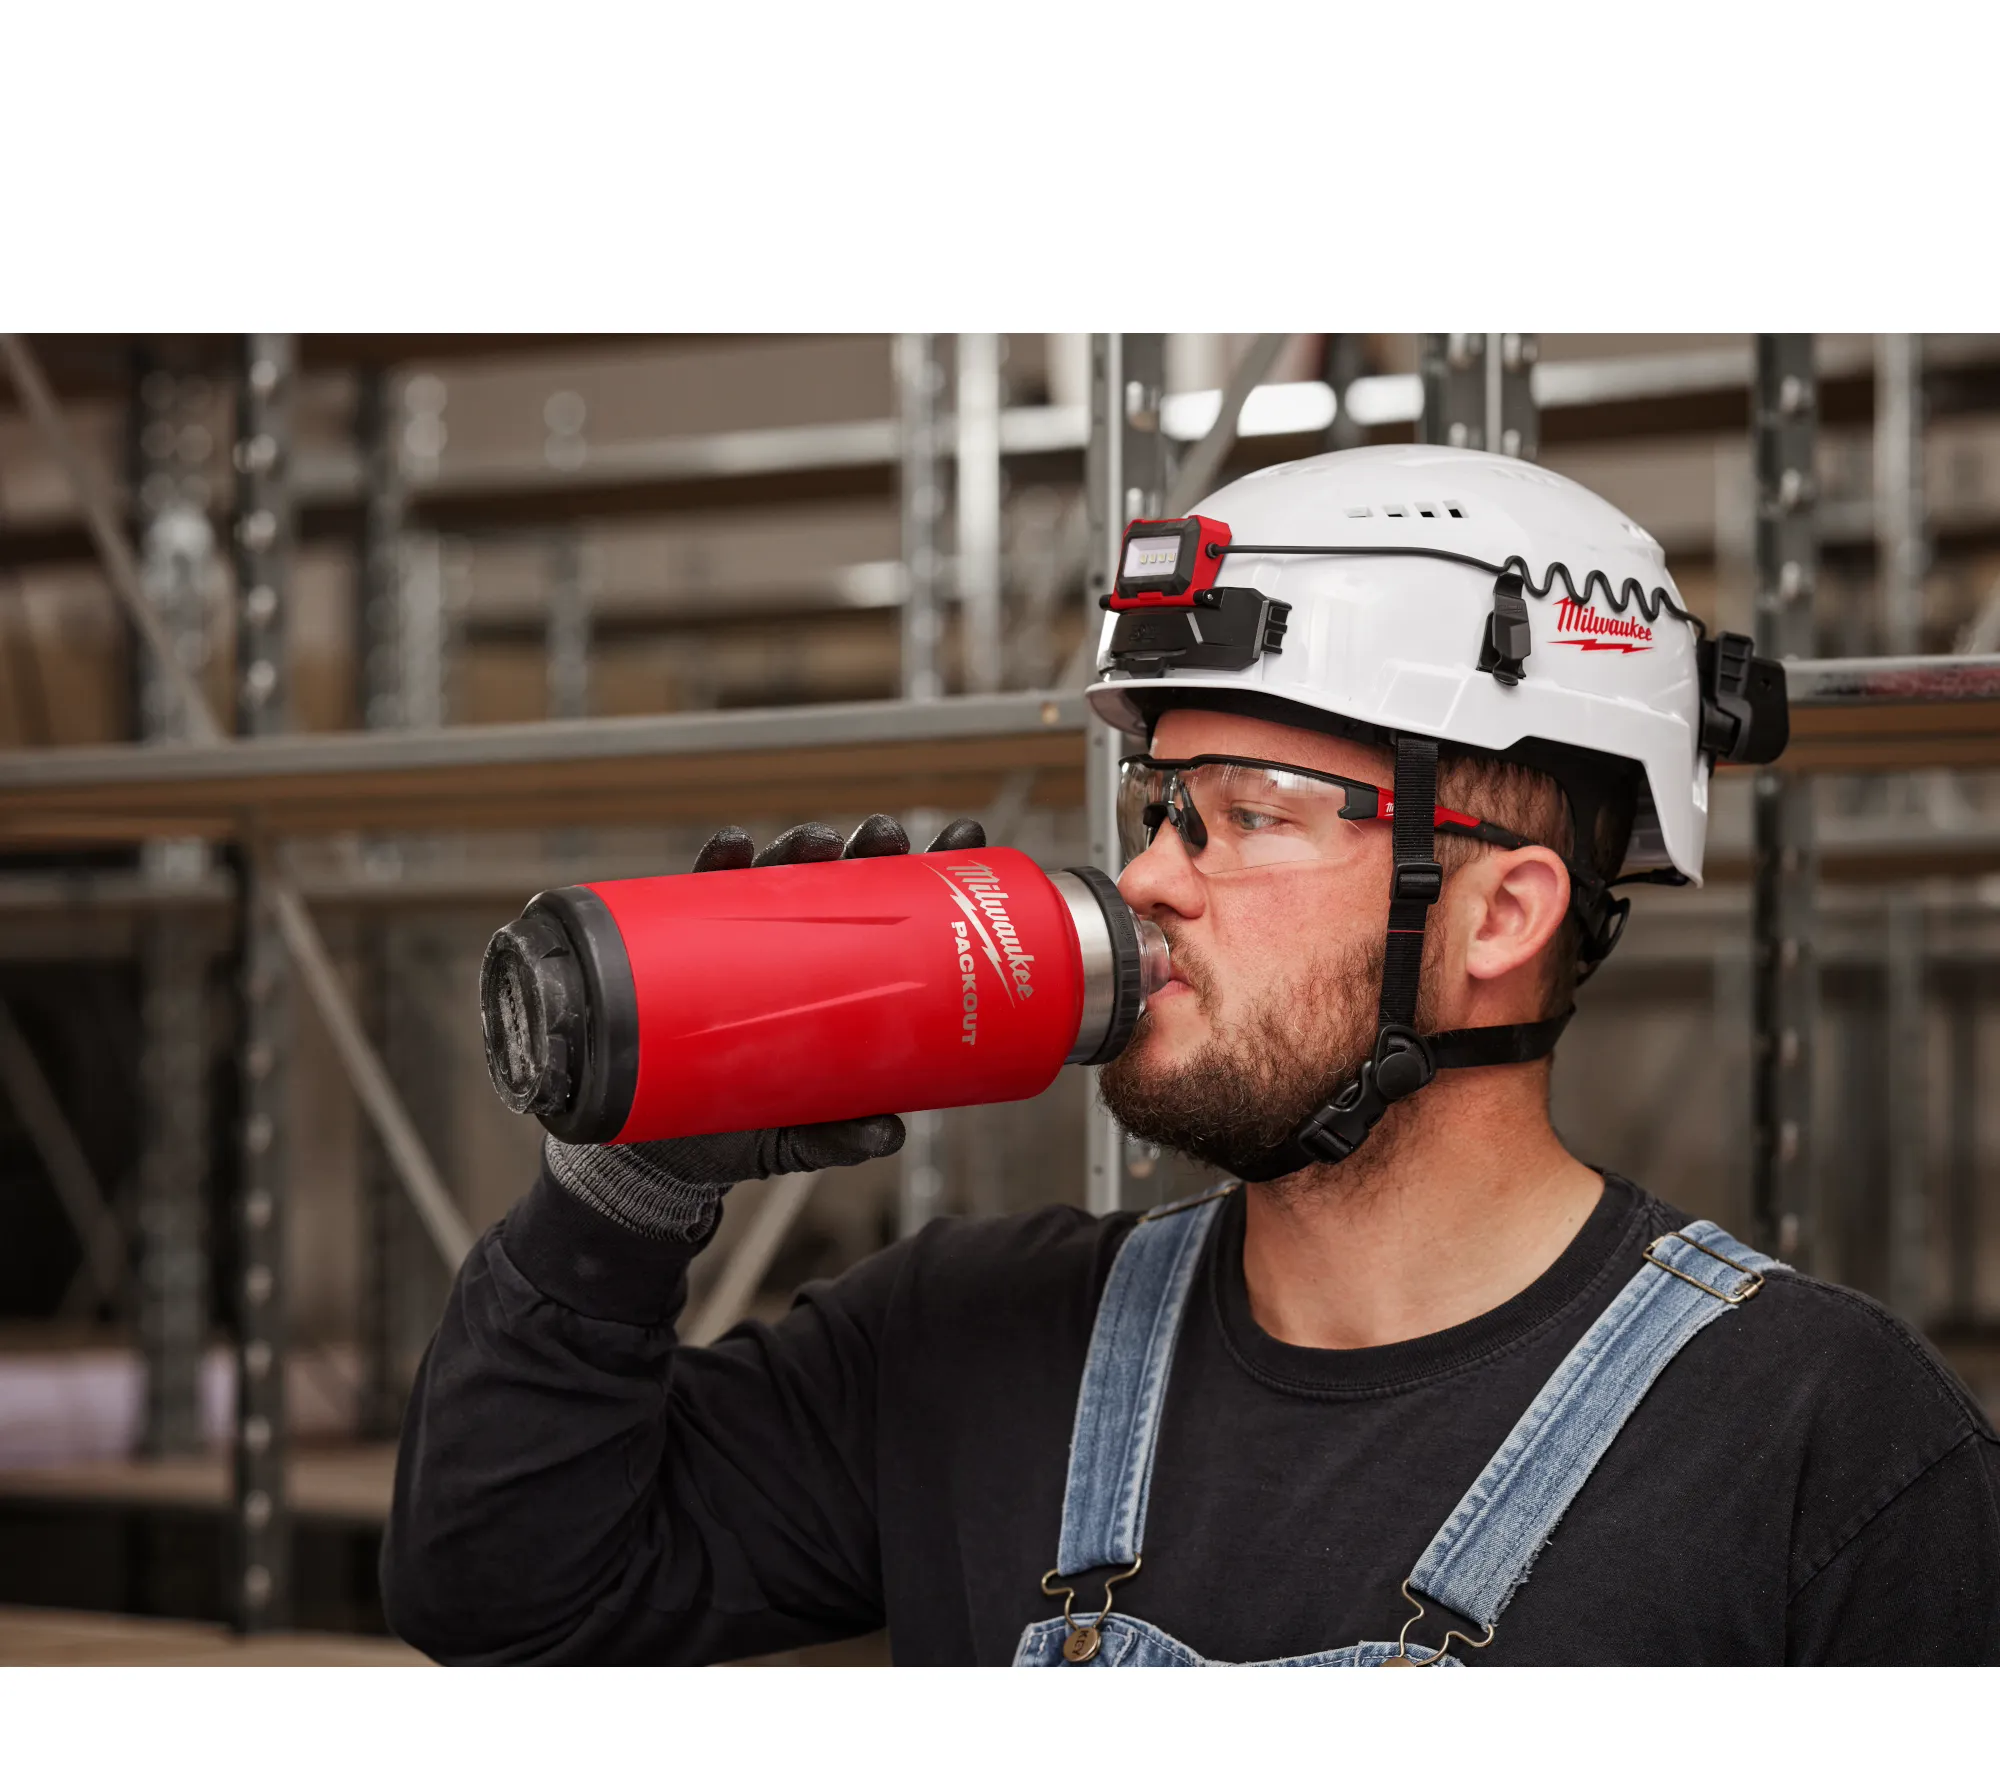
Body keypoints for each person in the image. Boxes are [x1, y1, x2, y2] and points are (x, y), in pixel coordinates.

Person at [381, 446, 2000, 1665]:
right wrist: (632, 1172)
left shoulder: (1815, 1444)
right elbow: (506, 1585)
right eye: (1163, 808)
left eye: (1252, 818)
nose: (1152, 876)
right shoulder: (970, 1344)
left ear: (1503, 910)